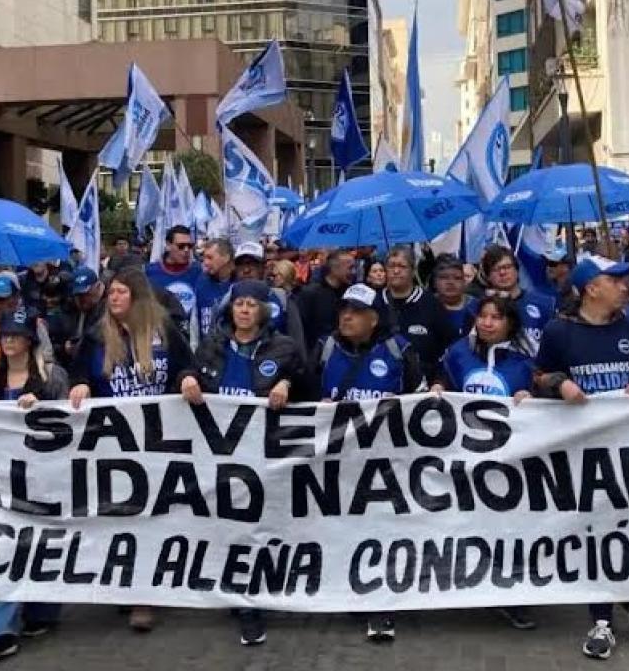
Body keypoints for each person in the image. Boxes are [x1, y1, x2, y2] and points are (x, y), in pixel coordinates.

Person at [532, 256, 629, 660]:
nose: (625, 286)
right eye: (615, 280)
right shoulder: (559, 331)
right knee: (595, 532)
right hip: (582, 452)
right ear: (591, 289)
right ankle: (602, 618)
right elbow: (537, 376)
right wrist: (559, 383)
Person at [178, 279, 308, 647]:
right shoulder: (212, 345)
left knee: (255, 529)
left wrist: (288, 384)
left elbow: (308, 385)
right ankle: (241, 595)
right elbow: (188, 372)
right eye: (239, 304)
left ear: (264, 311)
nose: (245, 310)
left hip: (264, 456)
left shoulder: (284, 348)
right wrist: (186, 378)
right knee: (229, 529)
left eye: (252, 304)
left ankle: (251, 603)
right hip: (220, 458)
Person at [68, 267, 192, 633]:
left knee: (151, 516)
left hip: (157, 438)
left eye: (122, 292)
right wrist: (80, 385)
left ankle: (144, 595)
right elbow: (79, 373)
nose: (114, 297)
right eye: (112, 292)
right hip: (114, 442)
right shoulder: (96, 335)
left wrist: (188, 378)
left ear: (137, 297)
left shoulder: (163, 330)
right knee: (122, 515)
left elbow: (187, 365)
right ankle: (127, 582)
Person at [312, 283, 421, 642]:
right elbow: (304, 393)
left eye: (356, 312)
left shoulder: (399, 351)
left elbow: (421, 401)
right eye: (344, 310)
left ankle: (381, 604)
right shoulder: (325, 348)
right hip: (336, 463)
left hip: (386, 465)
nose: (347, 317)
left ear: (374, 319)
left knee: (382, 533)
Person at [0, 307, 71, 664]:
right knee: (1, 546)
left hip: (44, 475)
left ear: (30, 341)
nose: (10, 340)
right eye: (5, 336)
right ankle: (0, 632)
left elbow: (72, 421)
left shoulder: (52, 377)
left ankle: (42, 611)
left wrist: (43, 406)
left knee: (42, 542)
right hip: (2, 478)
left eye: (17, 335)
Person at [377, 246, 455, 383]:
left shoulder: (430, 304)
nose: (396, 271)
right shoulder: (375, 303)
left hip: (424, 383)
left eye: (402, 266)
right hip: (383, 380)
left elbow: (448, 346)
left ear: (413, 271)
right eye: (391, 266)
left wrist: (439, 380)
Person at [434, 296, 533, 401]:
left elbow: (540, 396)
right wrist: (439, 386)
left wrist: (530, 397)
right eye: (482, 316)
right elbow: (444, 382)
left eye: (496, 317)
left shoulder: (526, 364)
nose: (487, 323)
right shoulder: (458, 353)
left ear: (511, 324)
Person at [479, 246, 555, 356]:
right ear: (488, 276)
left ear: (517, 270)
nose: (502, 272)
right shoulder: (480, 308)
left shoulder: (544, 303)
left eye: (507, 267)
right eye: (496, 269)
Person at [295, 249, 355, 349]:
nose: (353, 272)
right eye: (350, 268)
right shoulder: (310, 294)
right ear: (334, 268)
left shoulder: (351, 294)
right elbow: (300, 329)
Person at [145, 225, 201, 328]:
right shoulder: (149, 272)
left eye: (189, 246)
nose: (186, 250)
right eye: (181, 246)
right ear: (168, 245)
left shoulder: (199, 271)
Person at [193, 238, 235, 340]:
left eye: (210, 258)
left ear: (226, 258)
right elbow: (195, 323)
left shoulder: (239, 285)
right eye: (204, 258)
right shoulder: (201, 283)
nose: (205, 262)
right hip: (205, 347)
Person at [432, 255, 478, 336]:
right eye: (444, 277)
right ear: (435, 282)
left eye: (457, 278)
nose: (451, 282)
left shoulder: (477, 307)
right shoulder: (424, 305)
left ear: (464, 282)